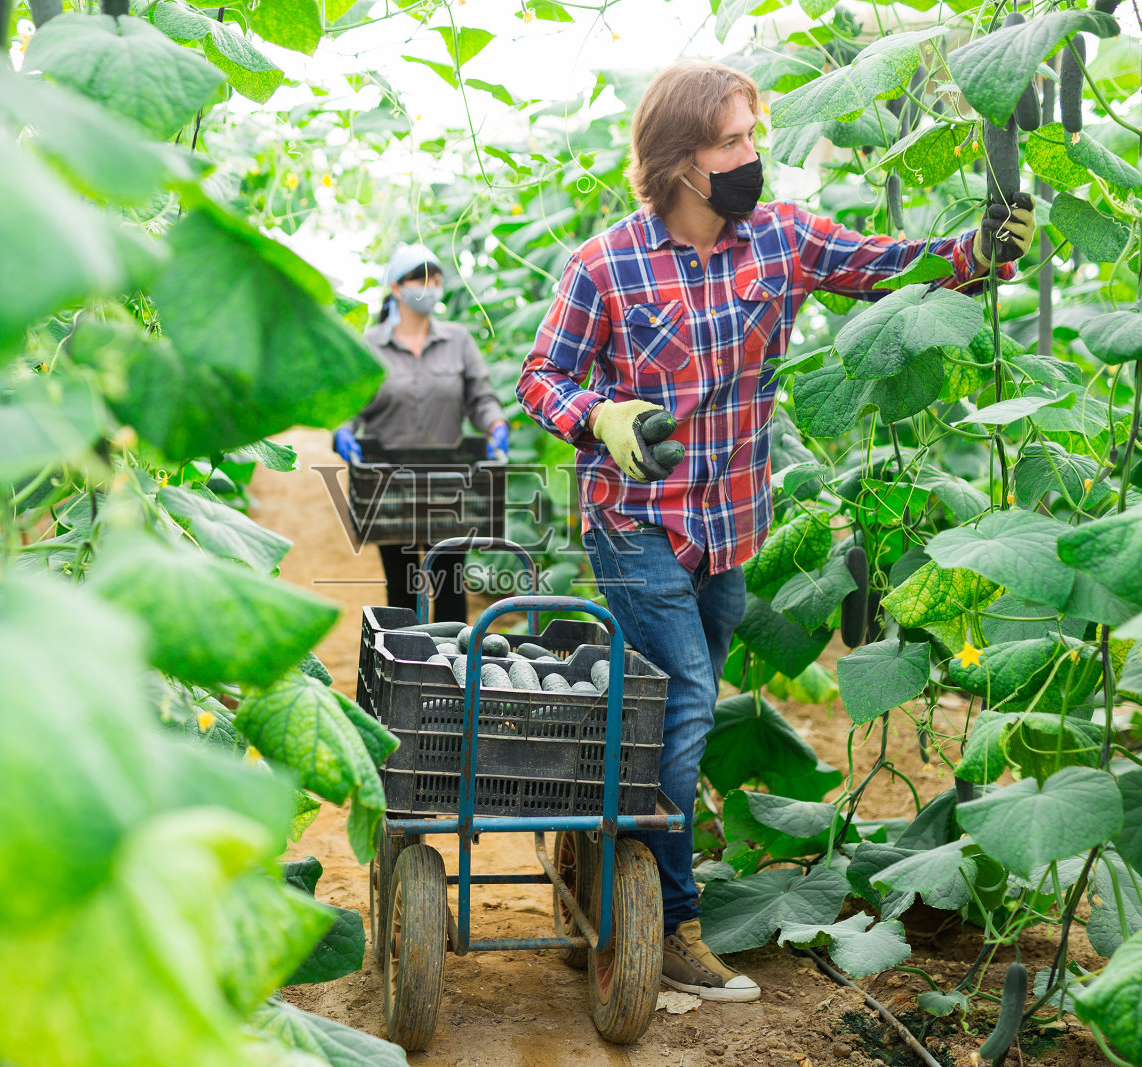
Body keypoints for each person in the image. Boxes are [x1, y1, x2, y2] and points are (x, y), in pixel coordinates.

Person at [515, 60, 1033, 1001]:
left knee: (669, 712)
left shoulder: (780, 238)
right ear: (679, 159)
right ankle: (671, 926)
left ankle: (601, 865)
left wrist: (981, 248)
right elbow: (540, 375)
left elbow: (887, 264)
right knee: (682, 711)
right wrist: (600, 415)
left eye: (753, 135)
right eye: (732, 141)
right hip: (634, 521)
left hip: (728, 524)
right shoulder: (606, 264)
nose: (752, 155)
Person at [334, 245, 511, 622]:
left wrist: (496, 424)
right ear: (396, 288)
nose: (431, 287)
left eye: (436, 279)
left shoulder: (458, 341)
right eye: (421, 280)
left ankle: (451, 658)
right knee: (401, 588)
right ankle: (401, 656)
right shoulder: (370, 346)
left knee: (450, 583)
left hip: (450, 482)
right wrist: (343, 431)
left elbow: (480, 397)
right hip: (388, 484)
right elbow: (350, 405)